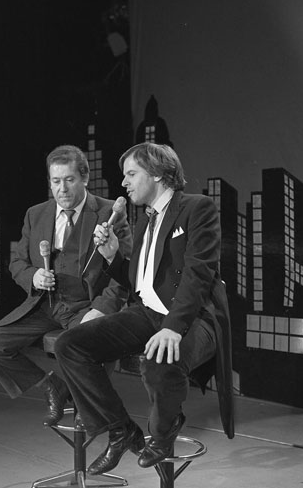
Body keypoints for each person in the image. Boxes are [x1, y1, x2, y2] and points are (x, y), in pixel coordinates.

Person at [55, 142, 234, 475]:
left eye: (131, 174)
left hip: (194, 317)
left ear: (157, 174)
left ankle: (163, 433)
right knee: (71, 344)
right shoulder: (144, 221)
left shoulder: (198, 208)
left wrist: (173, 328)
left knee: (158, 361)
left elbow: (197, 275)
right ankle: (120, 430)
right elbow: (140, 281)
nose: (124, 183)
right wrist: (112, 256)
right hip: (147, 313)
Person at [0, 144, 132, 428]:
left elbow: (125, 271)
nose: (62, 189)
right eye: (56, 181)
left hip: (86, 306)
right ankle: (53, 387)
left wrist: (101, 309)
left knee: (96, 343)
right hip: (45, 304)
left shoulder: (110, 212)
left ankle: (86, 402)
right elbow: (17, 263)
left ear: (85, 178)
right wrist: (33, 276)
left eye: (69, 180)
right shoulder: (35, 214)